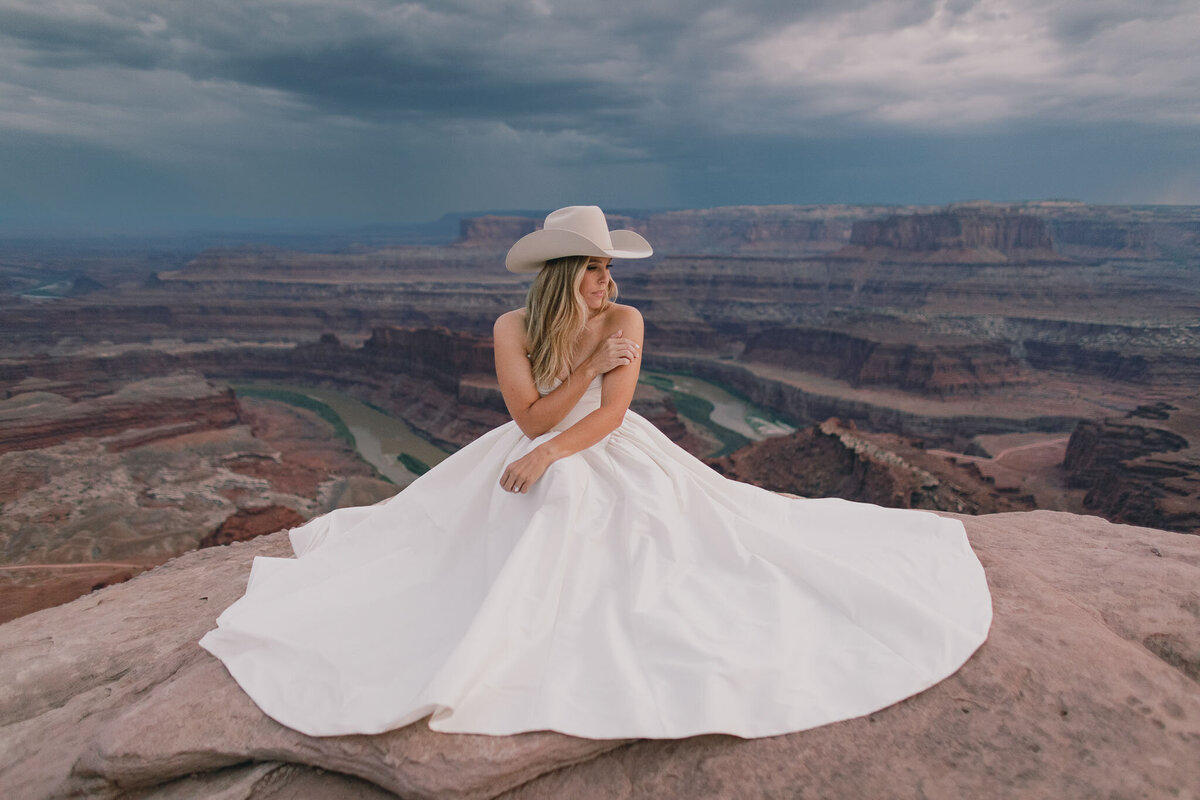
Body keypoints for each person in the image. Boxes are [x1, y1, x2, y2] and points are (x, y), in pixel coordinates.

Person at [200, 205, 992, 740]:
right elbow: (531, 418)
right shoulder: (512, 327)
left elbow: (607, 420)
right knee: (512, 504)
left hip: (612, 450)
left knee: (573, 488)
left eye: (611, 270)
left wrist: (553, 444)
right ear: (564, 273)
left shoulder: (628, 319)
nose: (610, 283)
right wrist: (573, 386)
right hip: (535, 436)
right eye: (597, 270)